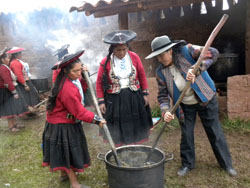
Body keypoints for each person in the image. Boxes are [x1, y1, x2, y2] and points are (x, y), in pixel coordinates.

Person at [145, 35, 237, 177]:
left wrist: (197, 68)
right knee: (186, 134)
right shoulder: (160, 72)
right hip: (184, 106)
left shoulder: (187, 51)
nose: (159, 59)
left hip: (205, 98)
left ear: (169, 50)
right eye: (157, 56)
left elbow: (213, 53)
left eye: (161, 55)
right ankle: (187, 164)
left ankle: (227, 164)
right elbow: (163, 96)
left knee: (214, 131)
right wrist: (165, 111)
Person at [42, 50, 106, 188]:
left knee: (62, 151)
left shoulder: (67, 80)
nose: (78, 74)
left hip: (59, 122)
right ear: (65, 71)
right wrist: (96, 120)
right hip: (62, 125)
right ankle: (75, 184)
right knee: (68, 153)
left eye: (80, 70)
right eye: (75, 71)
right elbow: (79, 112)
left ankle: (64, 175)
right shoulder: (67, 88)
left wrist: (84, 75)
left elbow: (81, 87)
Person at [96, 30, 153, 146]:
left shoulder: (135, 57)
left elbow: (142, 75)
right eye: (118, 50)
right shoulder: (105, 62)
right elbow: (98, 83)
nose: (121, 53)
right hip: (115, 98)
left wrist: (145, 94)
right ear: (113, 49)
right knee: (119, 123)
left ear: (128, 48)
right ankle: (121, 146)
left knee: (134, 121)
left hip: (134, 96)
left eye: (124, 49)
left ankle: (135, 144)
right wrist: (101, 101)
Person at [0, 47, 29, 132]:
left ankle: (15, 124)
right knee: (9, 110)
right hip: (6, 91)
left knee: (12, 109)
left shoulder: (4, 67)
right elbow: (7, 81)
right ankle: (11, 127)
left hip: (7, 89)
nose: (8, 59)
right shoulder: (3, 68)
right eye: (7, 58)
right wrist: (14, 92)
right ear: (2, 59)